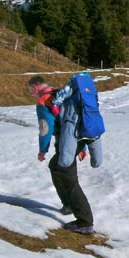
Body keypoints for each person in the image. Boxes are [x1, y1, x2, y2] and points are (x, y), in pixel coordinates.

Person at [28, 75, 100, 234]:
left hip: (68, 142)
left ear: (35, 87)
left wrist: (42, 150)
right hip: (78, 139)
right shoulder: (61, 93)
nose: (32, 94)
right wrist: (83, 147)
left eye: (31, 91)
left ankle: (85, 221)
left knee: (69, 177)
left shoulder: (44, 101)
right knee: (55, 166)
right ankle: (68, 204)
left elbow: (45, 129)